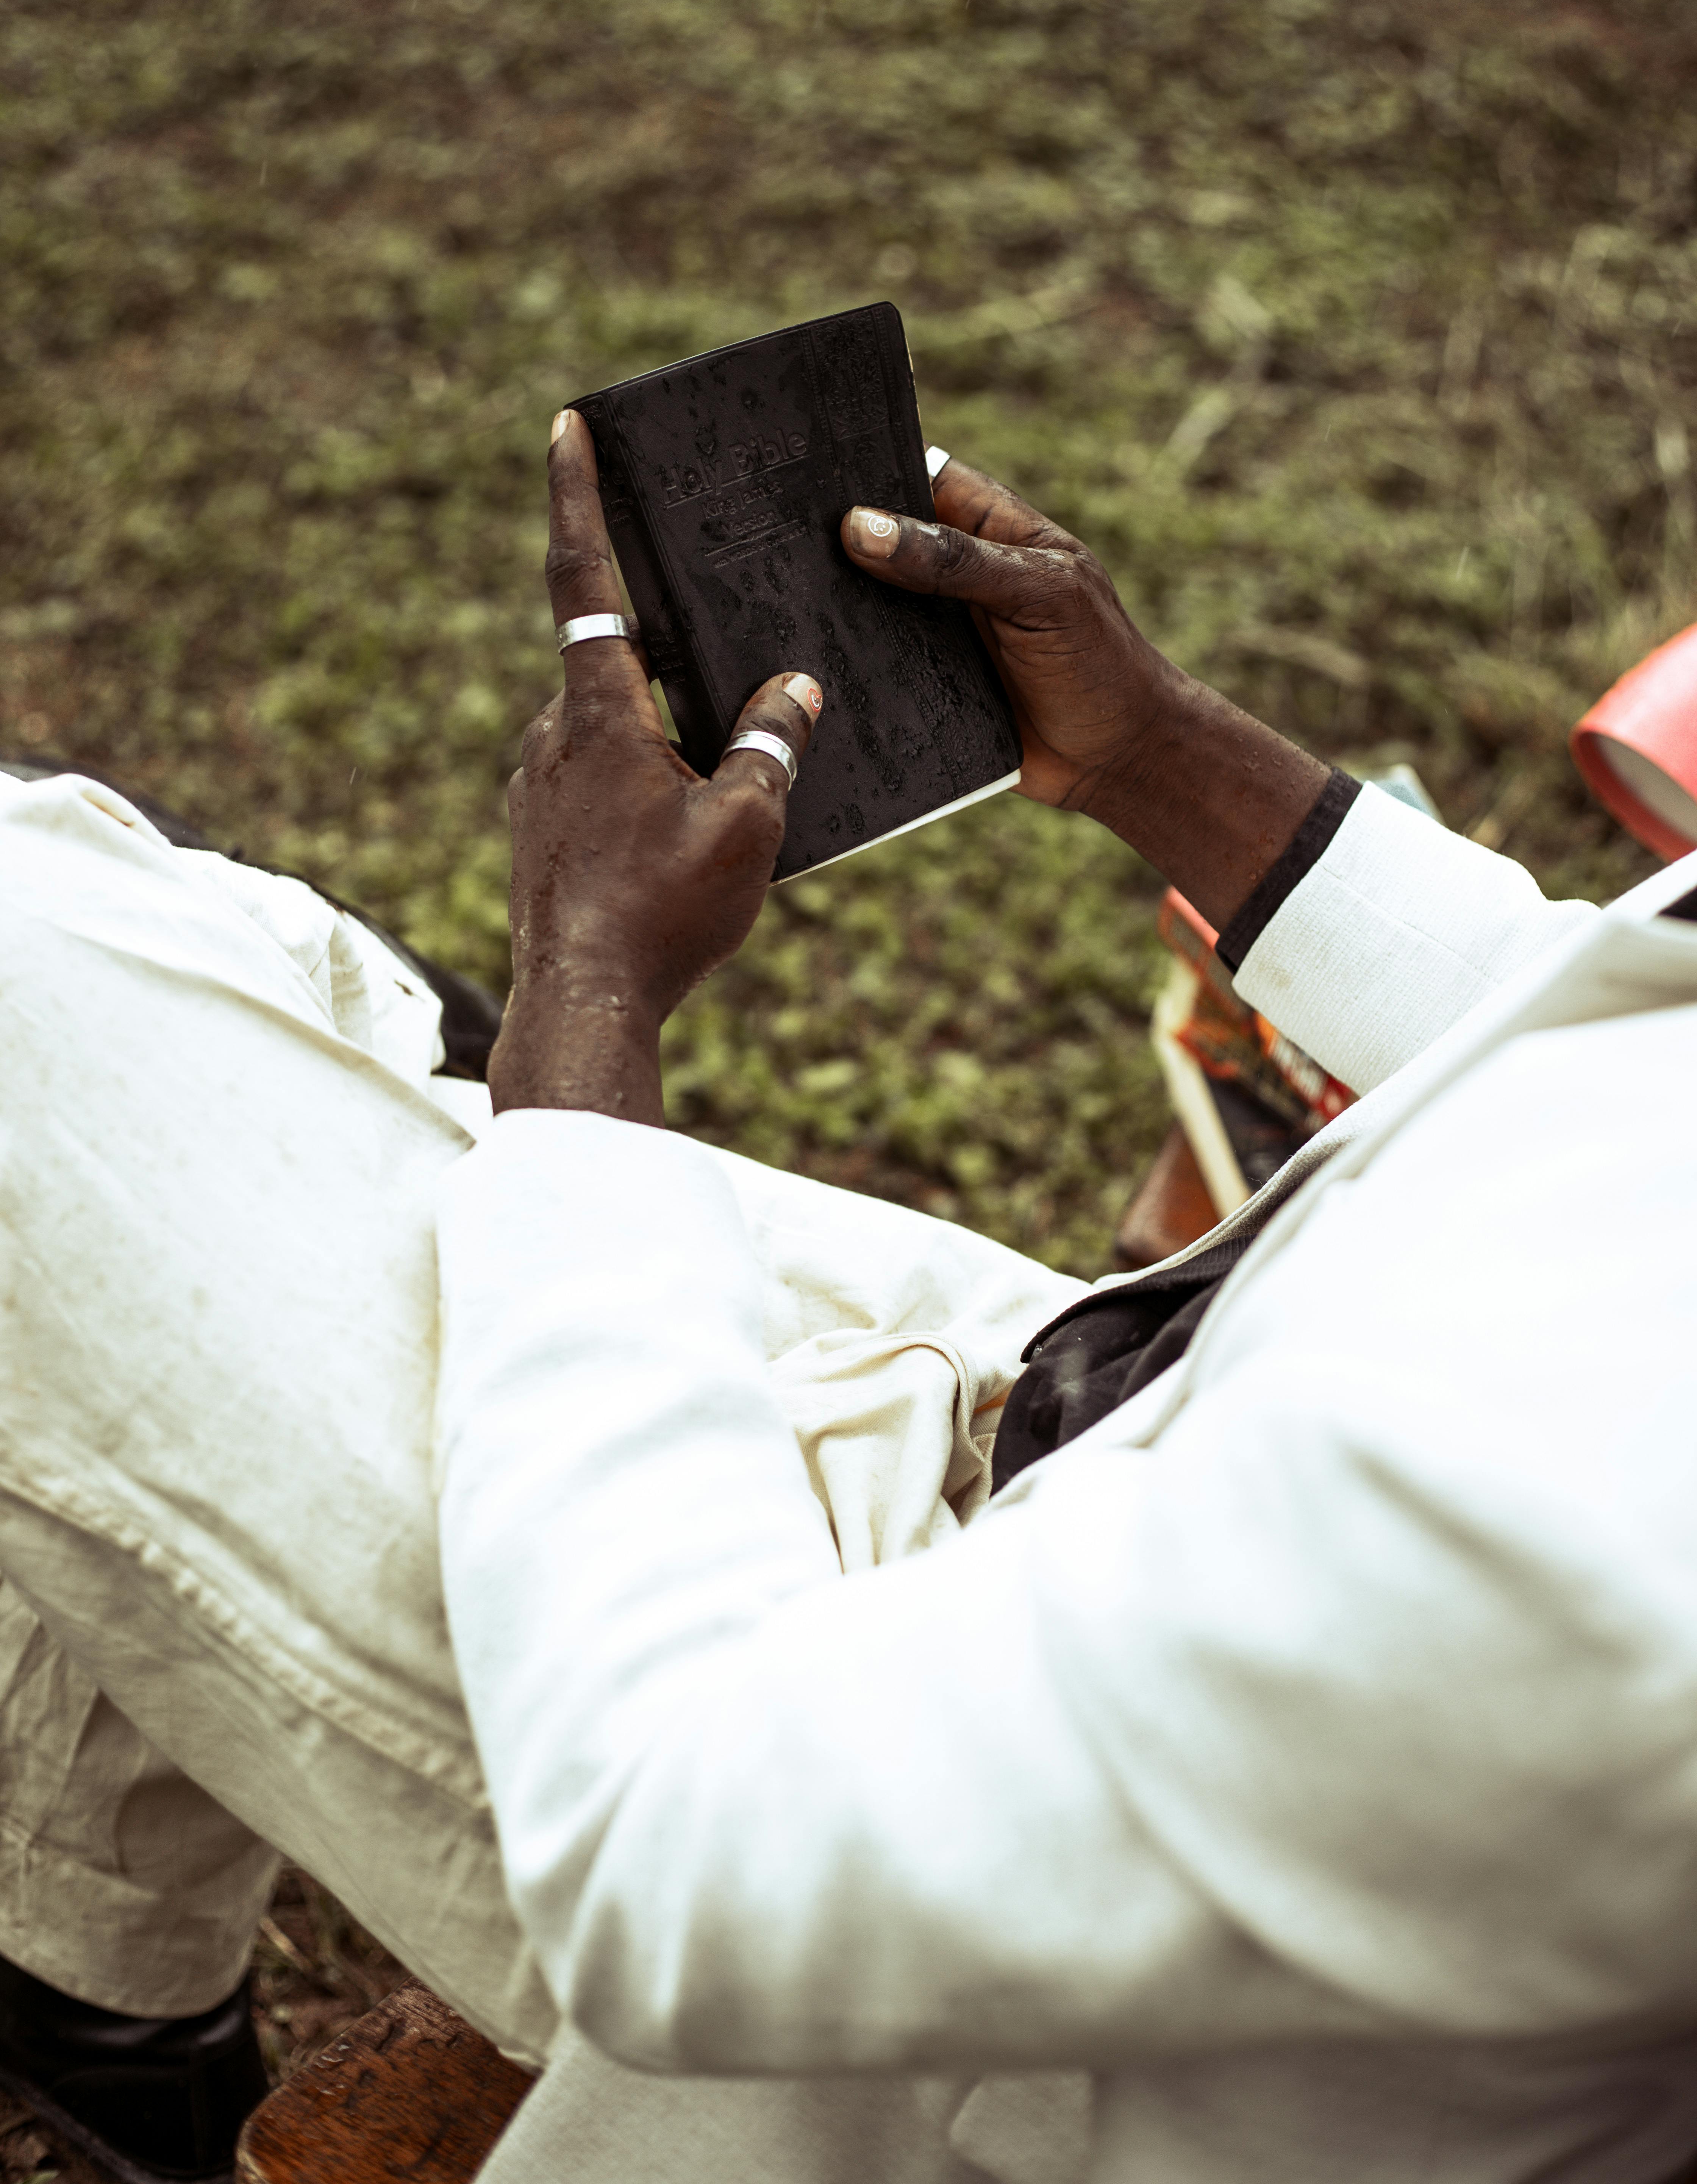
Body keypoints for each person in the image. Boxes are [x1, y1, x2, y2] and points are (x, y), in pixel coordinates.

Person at [0, 412, 1694, 2184]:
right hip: (1125, 1445)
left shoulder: (1585, 1549)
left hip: (875, 1881)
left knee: (40, 953)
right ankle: (103, 2006)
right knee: (270, 992)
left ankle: (109, 2014)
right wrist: (1161, 750)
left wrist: (587, 1002)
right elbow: (1623, 1039)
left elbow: (691, 1857)